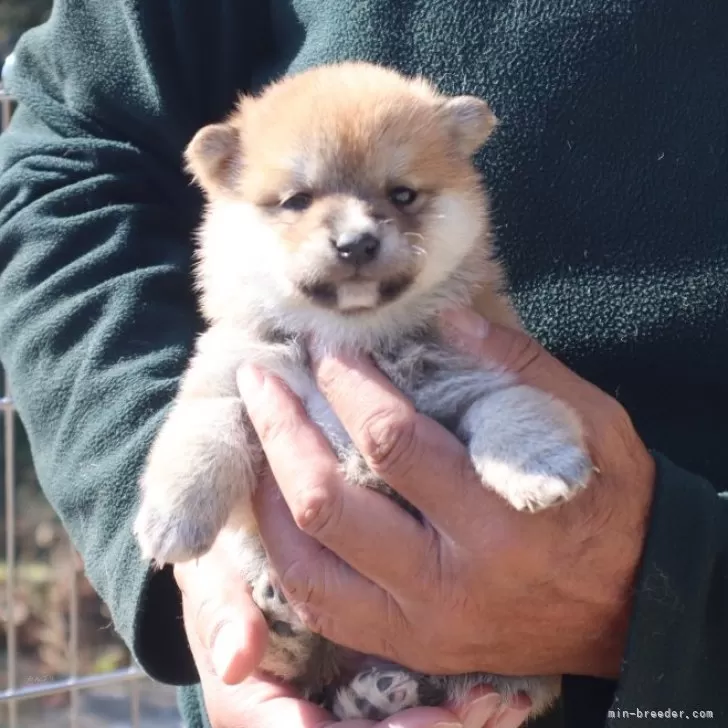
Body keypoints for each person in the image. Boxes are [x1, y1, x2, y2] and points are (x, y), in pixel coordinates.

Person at [0, 2, 725, 727]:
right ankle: (297, 646)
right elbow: (76, 147)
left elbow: (497, 395)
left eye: (402, 196)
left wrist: (683, 590)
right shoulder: (248, 332)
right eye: (296, 200)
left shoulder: (467, 324)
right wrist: (188, 569)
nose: (355, 231)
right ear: (224, 179)